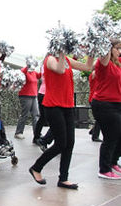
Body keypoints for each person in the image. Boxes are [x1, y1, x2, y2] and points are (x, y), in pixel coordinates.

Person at [29, 52, 93, 190]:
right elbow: (60, 69)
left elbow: (88, 67)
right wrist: (62, 53)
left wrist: (92, 51)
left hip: (67, 105)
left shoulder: (67, 60)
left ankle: (63, 179)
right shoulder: (50, 59)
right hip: (53, 106)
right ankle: (36, 167)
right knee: (61, 144)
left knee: (70, 143)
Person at [91, 39, 121, 180]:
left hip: (116, 104)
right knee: (110, 137)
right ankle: (104, 169)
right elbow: (104, 56)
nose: (119, 51)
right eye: (117, 48)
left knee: (118, 136)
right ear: (110, 49)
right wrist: (106, 41)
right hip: (104, 104)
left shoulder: (117, 64)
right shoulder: (104, 63)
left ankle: (113, 162)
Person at [14, 65, 41, 140]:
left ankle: (37, 133)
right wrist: (28, 65)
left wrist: (43, 66)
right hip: (25, 95)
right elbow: (22, 71)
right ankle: (18, 132)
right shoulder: (25, 72)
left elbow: (40, 75)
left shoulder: (34, 72)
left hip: (34, 95)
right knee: (24, 114)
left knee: (36, 115)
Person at [88, 70, 102, 142]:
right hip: (95, 98)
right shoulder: (94, 73)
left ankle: (93, 131)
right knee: (100, 118)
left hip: (94, 98)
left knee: (100, 118)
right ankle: (95, 135)